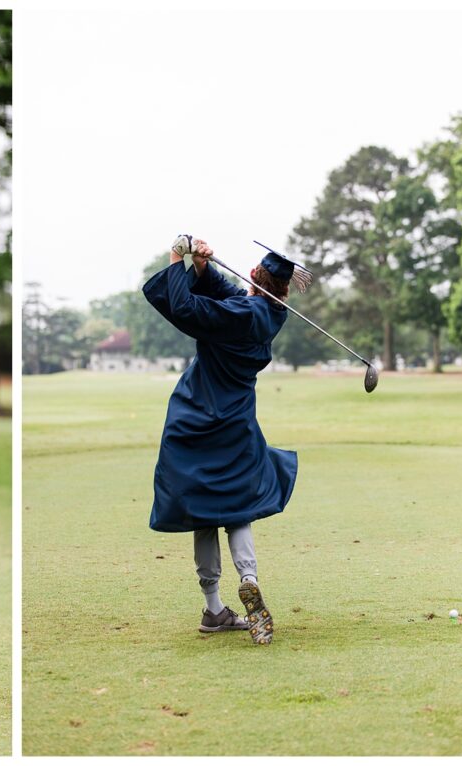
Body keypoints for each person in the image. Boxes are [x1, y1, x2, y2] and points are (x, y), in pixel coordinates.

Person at [142, 234, 304, 645]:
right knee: (238, 507)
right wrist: (202, 268)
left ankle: (214, 608)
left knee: (202, 511)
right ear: (283, 289)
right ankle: (248, 577)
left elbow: (184, 308)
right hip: (236, 422)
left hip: (194, 419)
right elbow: (229, 295)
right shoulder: (271, 313)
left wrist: (180, 260)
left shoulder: (240, 311)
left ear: (253, 274)